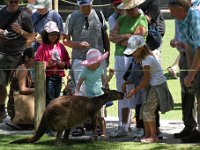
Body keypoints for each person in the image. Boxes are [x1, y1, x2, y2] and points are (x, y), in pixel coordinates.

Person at [63, 0, 110, 136]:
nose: (87, 8)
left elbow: (105, 36)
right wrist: (77, 44)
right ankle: (79, 125)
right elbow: (65, 40)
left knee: (100, 91)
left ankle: (98, 125)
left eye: (89, 6)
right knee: (80, 93)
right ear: (79, 6)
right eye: (84, 6)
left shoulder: (99, 15)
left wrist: (107, 56)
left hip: (98, 59)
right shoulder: (72, 17)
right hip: (80, 59)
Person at [122, 35, 173, 142]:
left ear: (140, 49)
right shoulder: (142, 59)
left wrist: (133, 91)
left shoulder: (146, 60)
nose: (132, 53)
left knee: (149, 111)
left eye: (134, 51)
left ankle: (153, 137)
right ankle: (147, 135)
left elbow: (145, 80)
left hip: (156, 86)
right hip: (150, 86)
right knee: (144, 110)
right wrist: (127, 83)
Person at [109, 0, 148, 137]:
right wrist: (126, 36)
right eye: (128, 9)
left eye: (132, 8)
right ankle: (123, 126)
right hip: (119, 57)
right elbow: (111, 37)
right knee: (122, 91)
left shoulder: (142, 19)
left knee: (137, 93)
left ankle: (140, 126)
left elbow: (136, 40)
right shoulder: (122, 17)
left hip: (134, 58)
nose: (129, 11)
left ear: (137, 7)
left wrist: (122, 38)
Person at [168, 0, 200, 143]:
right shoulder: (182, 19)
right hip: (194, 61)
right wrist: (189, 72)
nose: (170, 13)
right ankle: (194, 131)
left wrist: (192, 74)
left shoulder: (195, 18)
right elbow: (188, 45)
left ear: (180, 8)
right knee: (194, 94)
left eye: (172, 10)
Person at [0, 0, 35, 122]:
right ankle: (1, 110)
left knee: (17, 87)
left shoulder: (24, 16)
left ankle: (17, 114)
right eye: (11, 1)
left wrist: (20, 31)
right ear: (6, 1)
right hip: (2, 54)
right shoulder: (2, 12)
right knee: (1, 85)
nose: (14, 3)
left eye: (16, 1)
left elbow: (32, 36)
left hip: (18, 55)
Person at [75, 48, 114, 140]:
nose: (99, 63)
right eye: (97, 62)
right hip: (90, 98)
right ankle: (95, 133)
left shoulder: (100, 69)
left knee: (101, 117)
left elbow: (104, 82)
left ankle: (103, 133)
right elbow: (79, 83)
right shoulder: (85, 71)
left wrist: (110, 76)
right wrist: (77, 92)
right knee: (93, 117)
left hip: (100, 97)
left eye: (99, 62)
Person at [35, 21, 70, 106]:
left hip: (59, 77)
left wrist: (64, 64)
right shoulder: (42, 47)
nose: (54, 36)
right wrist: (47, 65)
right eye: (51, 34)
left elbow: (68, 60)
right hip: (48, 78)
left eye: (56, 34)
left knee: (57, 98)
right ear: (46, 35)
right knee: (50, 100)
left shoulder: (60, 46)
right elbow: (37, 62)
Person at [6, 47, 35, 130]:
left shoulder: (22, 68)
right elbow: (22, 89)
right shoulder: (23, 69)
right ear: (27, 58)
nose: (35, 60)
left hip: (16, 105)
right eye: (34, 58)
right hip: (17, 107)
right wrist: (38, 89)